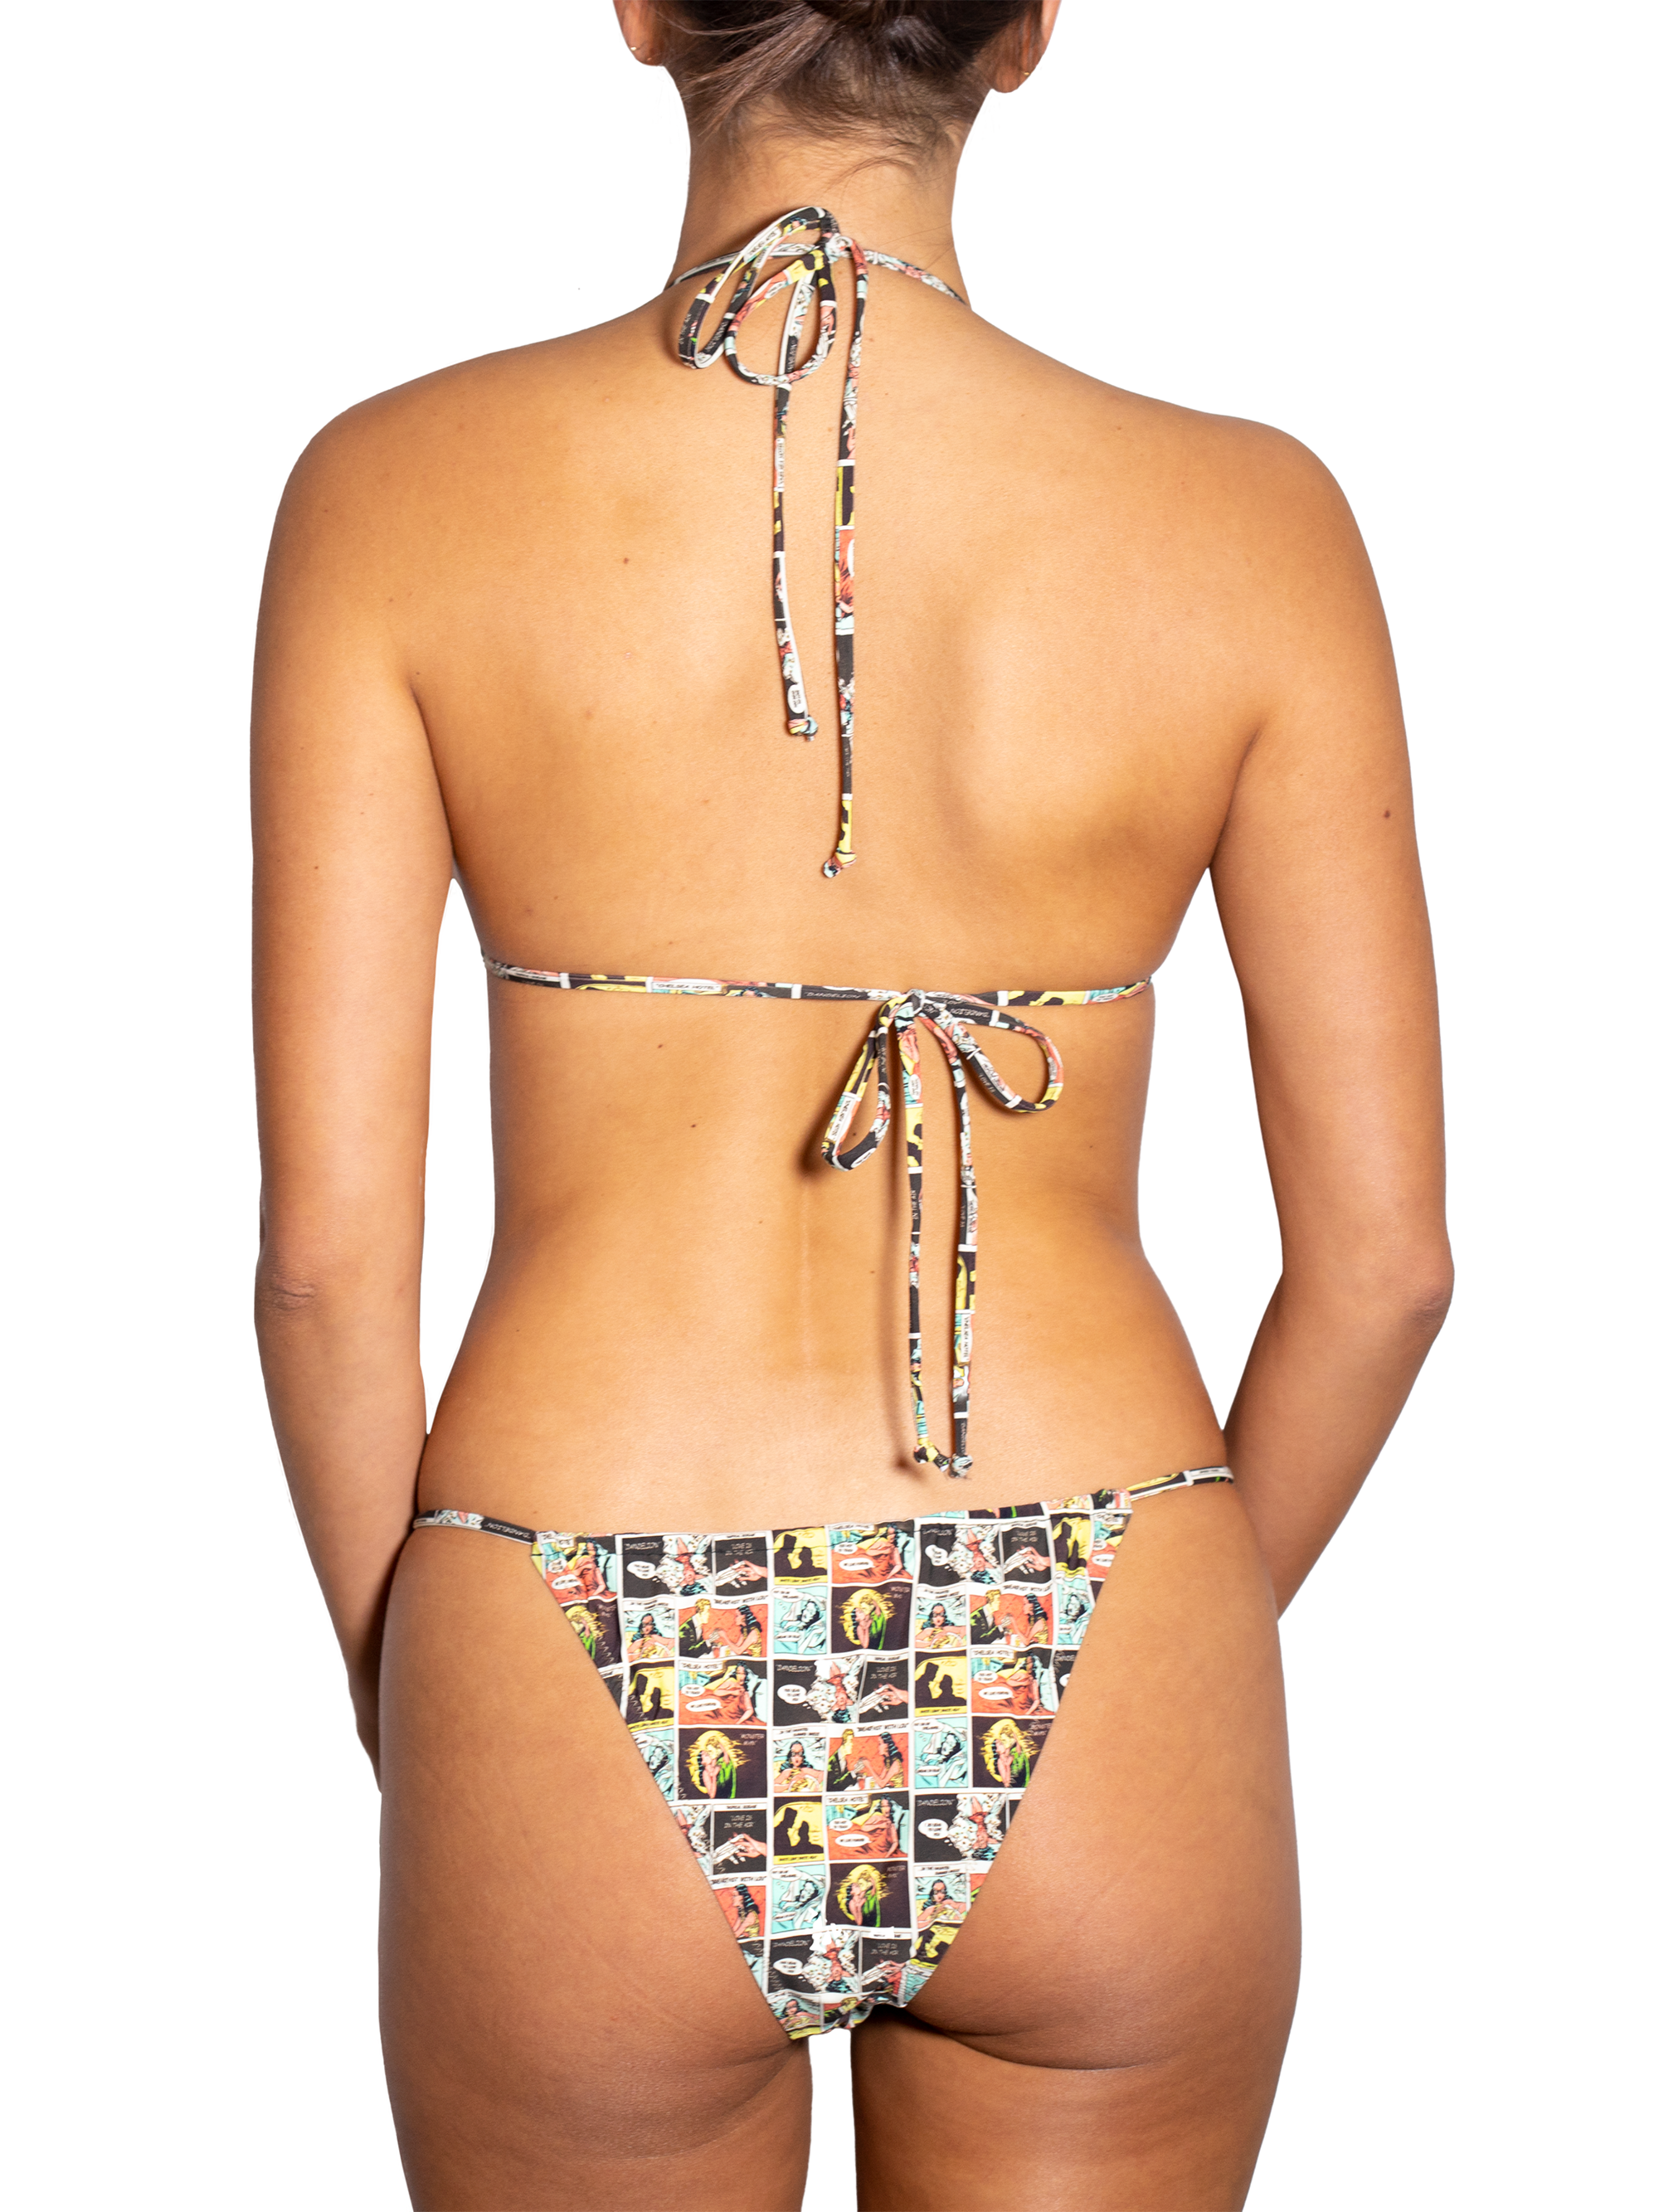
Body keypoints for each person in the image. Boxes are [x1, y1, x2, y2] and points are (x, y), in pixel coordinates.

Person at [252, 0, 1449, 2203]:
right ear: (1028, 30)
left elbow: (327, 1275)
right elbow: (1384, 1272)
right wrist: (1158, 1650)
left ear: (640, 7)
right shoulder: (1254, 521)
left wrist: (425, 1706)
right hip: (1099, 1593)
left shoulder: (392, 490)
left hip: (572, 1592)